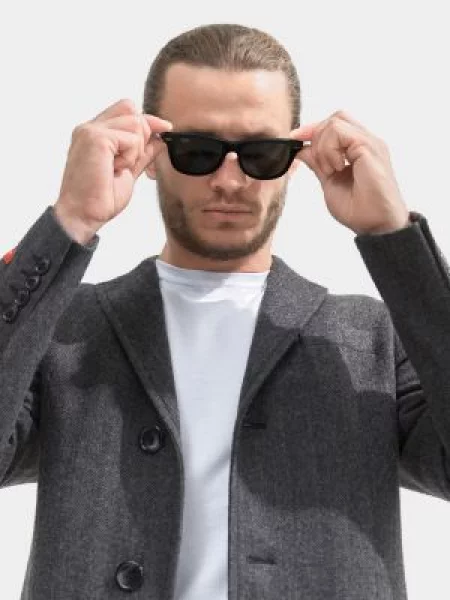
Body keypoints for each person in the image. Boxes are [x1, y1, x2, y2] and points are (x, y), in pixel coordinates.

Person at [0, 22, 449, 600]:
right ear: (151, 155)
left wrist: (395, 238)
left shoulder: (370, 339)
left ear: (294, 160)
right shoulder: (64, 330)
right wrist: (68, 222)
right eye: (198, 151)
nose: (230, 180)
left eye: (261, 154)